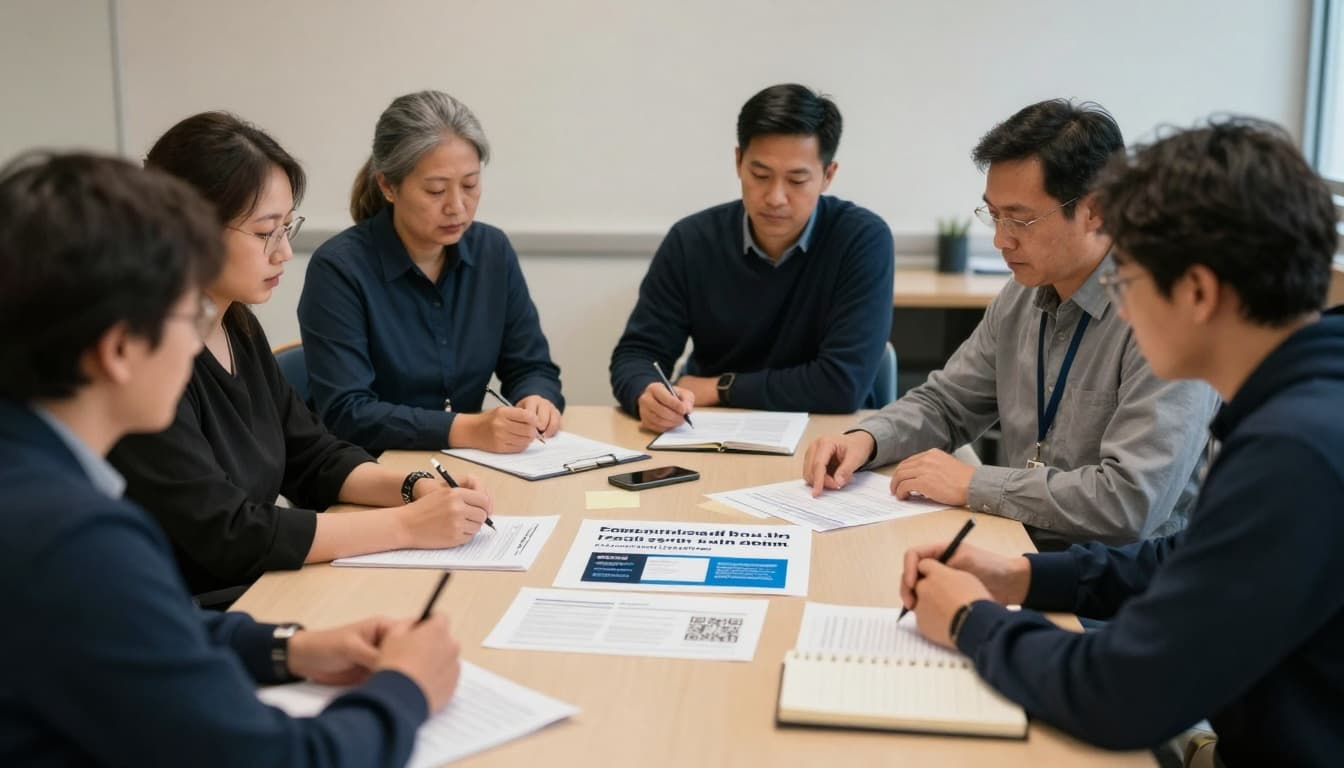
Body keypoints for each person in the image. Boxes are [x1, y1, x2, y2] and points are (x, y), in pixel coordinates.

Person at [899, 118, 1344, 765]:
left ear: (1196, 290)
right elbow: (1188, 558)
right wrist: (1021, 575)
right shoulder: (1303, 401)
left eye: (1126, 280)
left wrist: (971, 621)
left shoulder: (1297, 452)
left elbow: (1123, 691)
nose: (1121, 306)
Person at [0, 152, 462, 766]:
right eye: (188, 313)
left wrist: (286, 648)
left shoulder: (33, 474)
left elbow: (139, 628)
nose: (200, 334)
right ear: (117, 350)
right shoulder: (73, 538)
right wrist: (405, 689)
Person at [108, 112, 493, 602]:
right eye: (266, 231)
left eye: (288, 227)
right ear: (191, 232)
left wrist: (414, 486)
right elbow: (228, 533)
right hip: (197, 613)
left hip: (263, 590)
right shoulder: (145, 359)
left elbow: (311, 455)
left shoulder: (235, 322)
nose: (285, 251)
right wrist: (406, 526)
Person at [804, 99, 1218, 548]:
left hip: (1114, 590)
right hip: (1018, 546)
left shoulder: (1164, 318)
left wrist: (973, 484)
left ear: (1095, 210)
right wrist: (866, 439)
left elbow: (1129, 503)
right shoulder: (1024, 292)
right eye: (994, 215)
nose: (1001, 239)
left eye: (1020, 219)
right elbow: (947, 403)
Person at [608, 83, 895, 431]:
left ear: (827, 176)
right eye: (760, 175)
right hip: (709, 432)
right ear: (738, 162)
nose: (775, 197)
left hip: (826, 437)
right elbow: (636, 355)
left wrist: (721, 387)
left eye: (797, 180)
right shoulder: (692, 240)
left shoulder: (861, 240)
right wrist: (646, 393)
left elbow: (841, 385)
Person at [300, 90, 564, 455]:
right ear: (388, 186)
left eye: (470, 185)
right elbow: (348, 413)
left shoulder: (492, 251)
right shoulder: (339, 268)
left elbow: (531, 365)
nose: (457, 207)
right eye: (436, 190)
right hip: (367, 471)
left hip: (466, 464)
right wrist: (468, 428)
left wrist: (538, 398)